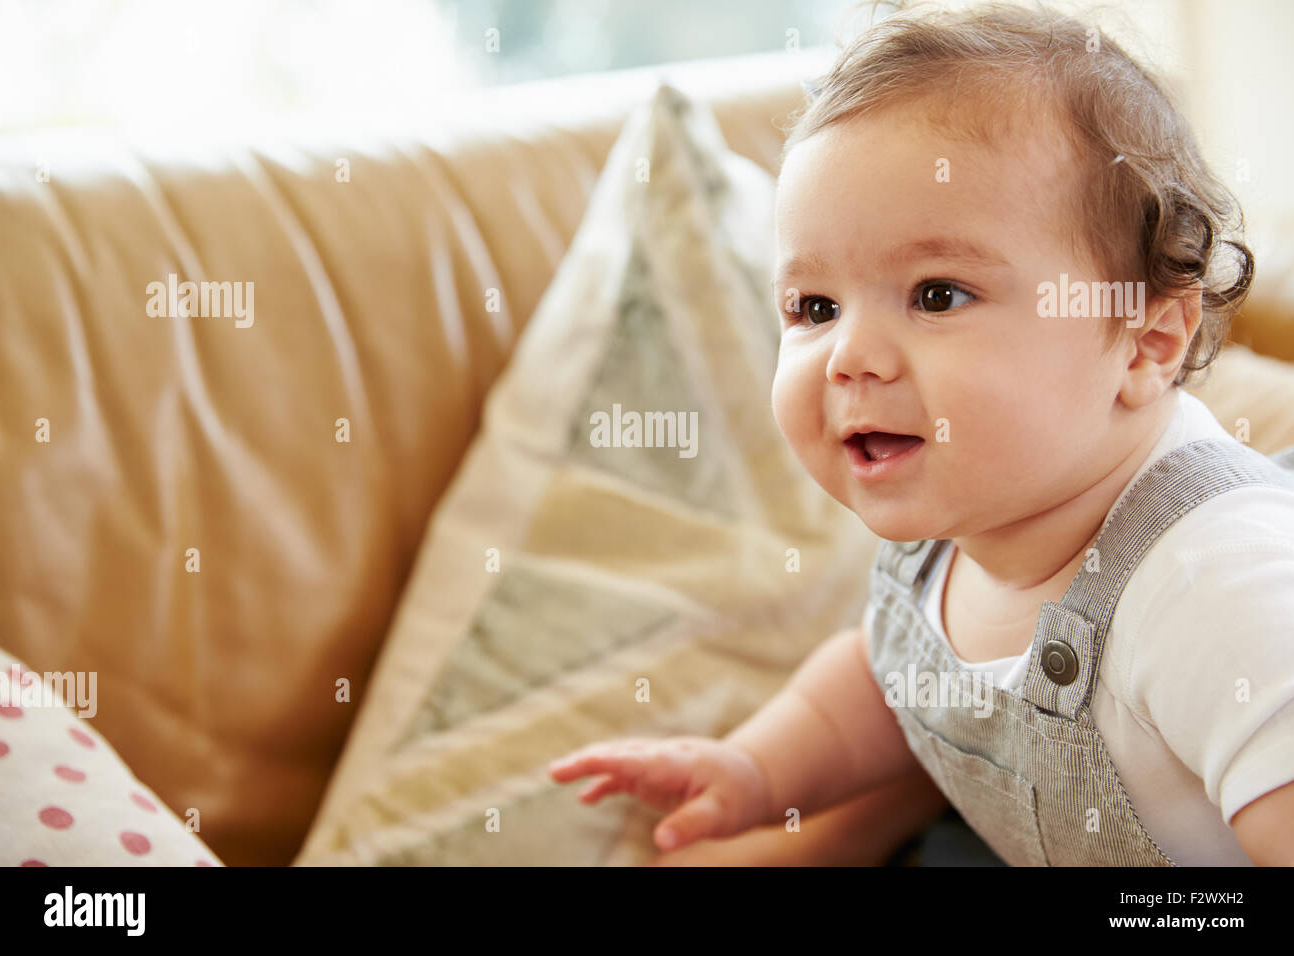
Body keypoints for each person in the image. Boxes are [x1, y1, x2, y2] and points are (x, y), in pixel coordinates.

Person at [550, 0, 1294, 866]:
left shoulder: (1216, 591)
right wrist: (753, 770)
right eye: (814, 307)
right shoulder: (963, 515)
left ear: (1144, 341)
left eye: (937, 294)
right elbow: (888, 674)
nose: (849, 357)